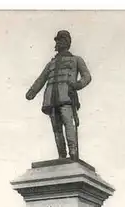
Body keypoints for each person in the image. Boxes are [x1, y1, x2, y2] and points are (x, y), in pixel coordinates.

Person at [25, 30, 92, 160]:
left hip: (66, 96)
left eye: (61, 40)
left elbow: (87, 76)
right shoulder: (51, 63)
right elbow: (41, 79)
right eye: (57, 40)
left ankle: (73, 152)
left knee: (68, 124)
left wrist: (78, 85)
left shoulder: (76, 60)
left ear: (67, 42)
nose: (58, 43)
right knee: (56, 128)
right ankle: (62, 154)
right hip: (51, 98)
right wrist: (31, 92)